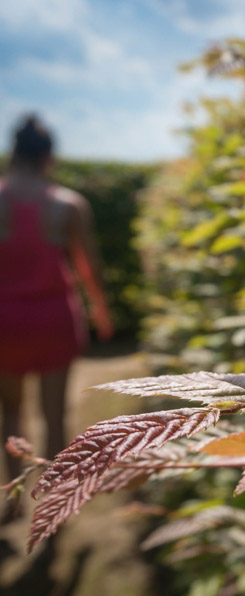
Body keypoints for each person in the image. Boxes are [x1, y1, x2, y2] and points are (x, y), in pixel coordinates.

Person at [0, 114, 113, 482]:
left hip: (6, 321)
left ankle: (12, 500)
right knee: (54, 415)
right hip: (54, 319)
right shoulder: (68, 204)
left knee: (11, 413)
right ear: (49, 156)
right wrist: (100, 310)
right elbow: (87, 268)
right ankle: (56, 500)